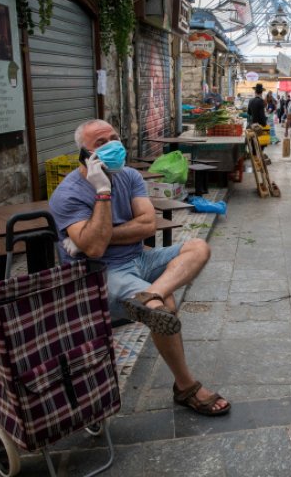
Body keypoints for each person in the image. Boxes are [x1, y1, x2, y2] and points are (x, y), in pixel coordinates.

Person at [49, 119, 231, 416]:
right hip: (99, 273)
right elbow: (94, 250)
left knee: (198, 247)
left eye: (115, 137)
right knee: (165, 310)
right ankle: (186, 387)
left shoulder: (130, 175)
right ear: (84, 155)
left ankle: (150, 296)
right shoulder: (67, 194)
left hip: (140, 258)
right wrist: (103, 192)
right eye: (100, 143)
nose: (112, 145)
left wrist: (94, 235)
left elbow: (147, 225)